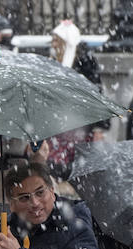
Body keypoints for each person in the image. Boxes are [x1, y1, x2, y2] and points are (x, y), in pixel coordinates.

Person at [45, 20, 105, 178]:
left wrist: (98, 128)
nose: (53, 43)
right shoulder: (53, 61)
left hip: (79, 127)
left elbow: (96, 96)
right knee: (57, 167)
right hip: (59, 126)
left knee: (79, 169)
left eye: (56, 39)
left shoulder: (85, 63)